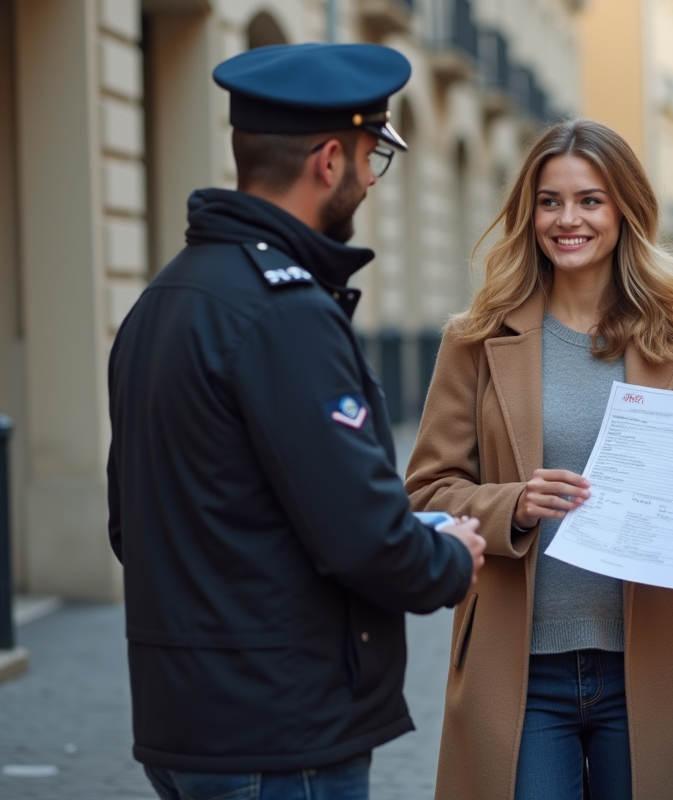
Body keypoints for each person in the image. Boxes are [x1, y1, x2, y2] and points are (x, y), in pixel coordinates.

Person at [106, 42, 486, 800]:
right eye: (370, 158)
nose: (370, 184)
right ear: (327, 160)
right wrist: (450, 556)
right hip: (281, 733)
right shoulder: (285, 315)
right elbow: (364, 535)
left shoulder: (163, 298)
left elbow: (130, 526)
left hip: (185, 724)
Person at [406, 119, 673, 800]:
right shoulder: (473, 341)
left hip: (654, 659)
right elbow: (426, 492)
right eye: (550, 201)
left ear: (624, 211)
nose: (569, 220)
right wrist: (512, 504)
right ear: (528, 213)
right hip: (521, 665)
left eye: (590, 200)